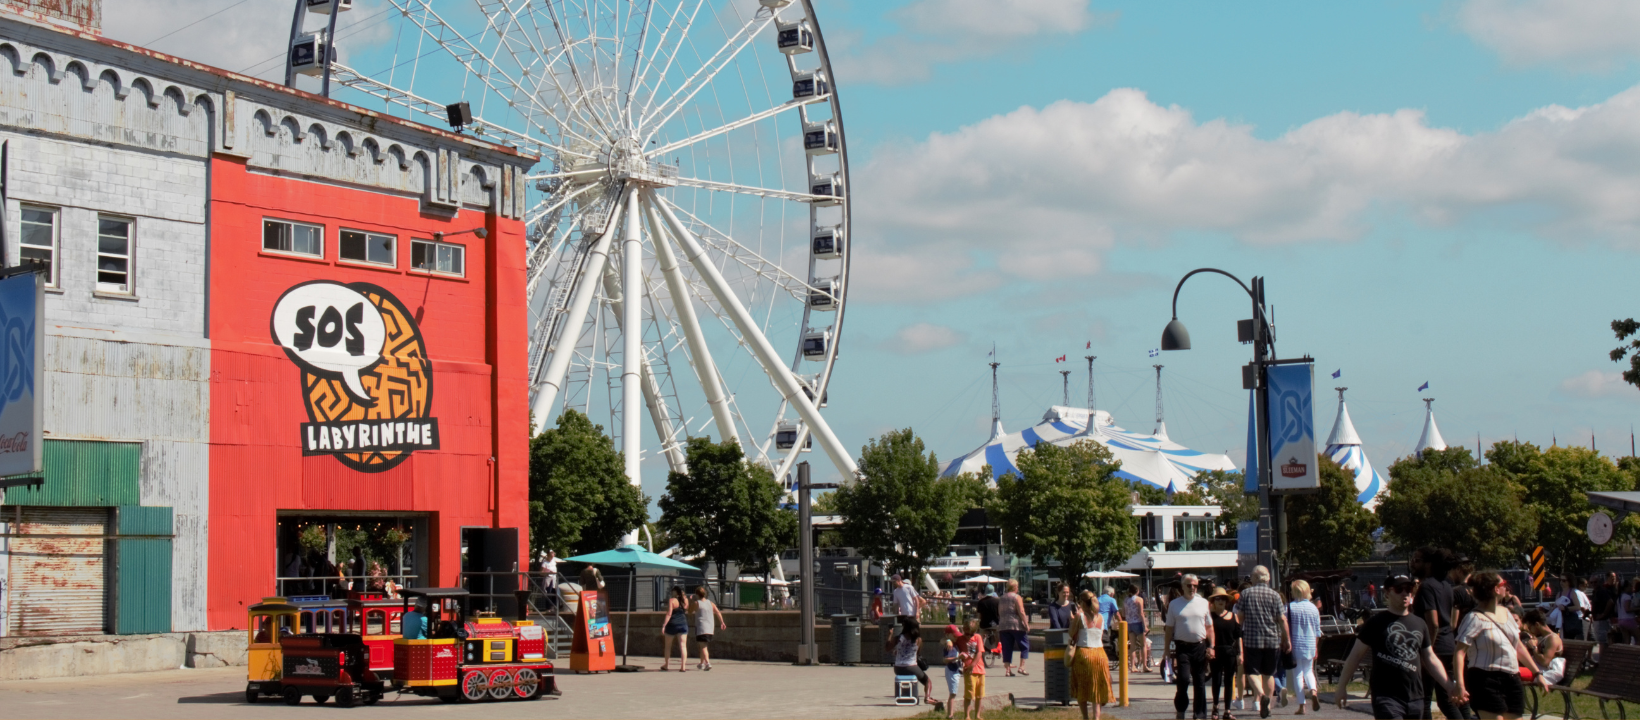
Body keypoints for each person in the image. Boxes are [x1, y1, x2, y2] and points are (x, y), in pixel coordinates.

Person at [1335, 574, 1459, 719]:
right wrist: (1341, 687)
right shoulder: (1376, 623)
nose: (1405, 593)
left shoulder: (1420, 623)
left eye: (1409, 589)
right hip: (1386, 697)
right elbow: (1355, 656)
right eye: (1399, 589)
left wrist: (1450, 687)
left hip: (1415, 697)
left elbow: (1430, 658)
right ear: (1387, 593)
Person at [1455, 571, 1550, 720]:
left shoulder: (1506, 612)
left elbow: (1518, 646)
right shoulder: (1474, 618)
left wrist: (1537, 674)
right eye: (1503, 584)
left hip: (1512, 679)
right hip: (1484, 680)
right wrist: (1460, 685)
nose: (1506, 586)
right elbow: (1459, 653)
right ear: (1495, 589)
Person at [1412, 547, 1464, 720]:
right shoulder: (1446, 585)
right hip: (1448, 644)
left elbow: (1433, 622)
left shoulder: (1427, 586)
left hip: (1435, 647)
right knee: (1447, 698)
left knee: (1424, 699)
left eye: (1417, 560)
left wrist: (1428, 652)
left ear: (1429, 564)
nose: (1413, 563)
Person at [1237, 565, 1290, 720]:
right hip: (1272, 640)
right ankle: (1268, 704)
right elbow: (1282, 619)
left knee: (1252, 672)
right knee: (1269, 674)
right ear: (1268, 578)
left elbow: (1239, 618)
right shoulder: (1275, 596)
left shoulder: (1245, 594)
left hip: (1252, 640)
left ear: (1254, 578)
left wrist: (1237, 636)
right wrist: (1286, 639)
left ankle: (1260, 695)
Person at [1166, 574, 1214, 720]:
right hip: (1182, 647)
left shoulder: (1204, 603)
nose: (1192, 588)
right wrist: (1166, 650)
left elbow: (1209, 627)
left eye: (1194, 585)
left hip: (1200, 646)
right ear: (1182, 586)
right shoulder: (1174, 604)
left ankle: (1199, 714)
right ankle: (1181, 707)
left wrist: (1211, 646)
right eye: (1188, 585)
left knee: (1200, 682)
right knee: (1184, 679)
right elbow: (1169, 629)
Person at [1068, 590, 1112, 720]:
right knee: (1096, 688)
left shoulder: (1080, 616)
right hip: (1100, 654)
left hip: (1084, 654)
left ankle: (1085, 717)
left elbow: (1071, 634)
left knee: (1082, 687)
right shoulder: (1101, 618)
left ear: (1082, 602)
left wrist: (1073, 619)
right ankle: (1096, 717)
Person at [1287, 580, 1323, 715]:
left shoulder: (1289, 607)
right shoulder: (1313, 608)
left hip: (1295, 644)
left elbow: (1285, 627)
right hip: (1310, 643)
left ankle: (1302, 705)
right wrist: (1316, 647)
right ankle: (1313, 690)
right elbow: (1318, 630)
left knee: (1298, 674)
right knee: (1309, 671)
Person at [1208, 588, 1242, 720]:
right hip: (1215, 651)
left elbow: (1238, 636)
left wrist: (1241, 654)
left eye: (1223, 599)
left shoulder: (1234, 616)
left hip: (1230, 651)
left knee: (1229, 681)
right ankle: (1215, 707)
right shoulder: (1209, 617)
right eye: (1217, 598)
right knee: (1216, 680)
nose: (1221, 601)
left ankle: (1227, 710)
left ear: (1227, 601)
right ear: (1213, 601)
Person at [887, 623, 935, 705]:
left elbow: (887, 648)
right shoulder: (918, 640)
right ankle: (927, 698)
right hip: (911, 667)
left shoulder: (898, 638)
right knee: (927, 681)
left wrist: (890, 635)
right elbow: (917, 653)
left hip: (898, 668)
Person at [1521, 609, 1566, 686]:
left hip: (1545, 673)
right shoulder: (1543, 638)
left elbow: (1544, 662)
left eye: (1530, 627)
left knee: (1512, 673)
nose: (1529, 630)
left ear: (1537, 625)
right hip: (1538, 671)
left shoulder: (1552, 638)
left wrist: (1533, 647)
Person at [999, 579, 1030, 676]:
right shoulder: (1017, 597)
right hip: (1016, 625)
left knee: (1007, 648)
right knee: (1025, 645)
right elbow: (1021, 611)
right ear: (1015, 587)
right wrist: (1026, 624)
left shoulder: (1002, 598)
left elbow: (999, 612)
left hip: (1003, 625)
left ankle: (1008, 670)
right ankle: (1022, 667)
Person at [691, 586, 726, 671]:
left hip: (701, 627)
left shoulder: (697, 603)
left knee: (703, 646)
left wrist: (691, 600)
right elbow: (717, 612)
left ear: (697, 594)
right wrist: (722, 622)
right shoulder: (710, 603)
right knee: (703, 645)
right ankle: (701, 663)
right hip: (710, 628)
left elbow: (689, 611)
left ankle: (707, 662)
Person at [959, 617, 988, 720]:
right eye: (967, 633)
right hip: (968, 671)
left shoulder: (977, 637)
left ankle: (977, 715)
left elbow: (979, 652)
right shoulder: (960, 639)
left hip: (979, 669)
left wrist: (973, 665)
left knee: (979, 695)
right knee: (969, 694)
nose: (969, 636)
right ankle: (967, 715)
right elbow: (947, 638)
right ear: (963, 630)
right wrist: (948, 640)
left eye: (971, 634)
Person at [661, 585, 690, 671]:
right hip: (683, 624)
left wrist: (664, 625)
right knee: (683, 646)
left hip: (672, 625)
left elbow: (669, 614)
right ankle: (683, 666)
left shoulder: (672, 600)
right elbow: (687, 610)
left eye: (672, 591)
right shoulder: (685, 600)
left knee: (668, 646)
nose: (671, 592)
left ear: (675, 592)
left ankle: (666, 665)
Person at [1126, 586, 1150, 672]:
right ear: (1137, 591)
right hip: (1138, 623)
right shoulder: (1139, 599)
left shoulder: (1126, 600)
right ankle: (1144, 666)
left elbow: (1124, 613)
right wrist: (1145, 626)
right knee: (1143, 645)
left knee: (1132, 646)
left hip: (1129, 623)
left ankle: (1132, 666)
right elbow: (1141, 613)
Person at [1556, 574, 1586, 642]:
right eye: (1560, 580)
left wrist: (1566, 608)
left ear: (1569, 582)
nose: (1561, 582)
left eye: (1564, 581)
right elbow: (1555, 607)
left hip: (1571, 622)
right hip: (1561, 621)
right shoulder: (1559, 594)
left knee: (1570, 641)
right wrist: (1546, 614)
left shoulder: (1572, 592)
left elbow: (1578, 607)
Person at [1594, 572, 1619, 651]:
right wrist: (1604, 614)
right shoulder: (1604, 589)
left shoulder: (1615, 588)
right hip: (1605, 618)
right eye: (1611, 577)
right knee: (1604, 641)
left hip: (1613, 617)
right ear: (1607, 578)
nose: (1613, 579)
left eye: (1614, 577)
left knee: (1613, 640)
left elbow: (1612, 602)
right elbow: (1610, 602)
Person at [944, 625, 965, 719]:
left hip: (956, 669)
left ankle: (950, 714)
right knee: (952, 693)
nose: (956, 637)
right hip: (951, 669)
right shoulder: (948, 646)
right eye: (954, 635)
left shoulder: (955, 644)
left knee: (954, 693)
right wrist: (957, 658)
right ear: (948, 635)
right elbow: (945, 660)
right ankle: (950, 715)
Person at [977, 585, 1001, 663]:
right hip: (995, 624)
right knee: (998, 635)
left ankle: (981, 649)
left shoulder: (981, 602)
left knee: (981, 637)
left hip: (984, 624)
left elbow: (979, 615)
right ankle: (997, 649)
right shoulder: (997, 601)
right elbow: (1000, 613)